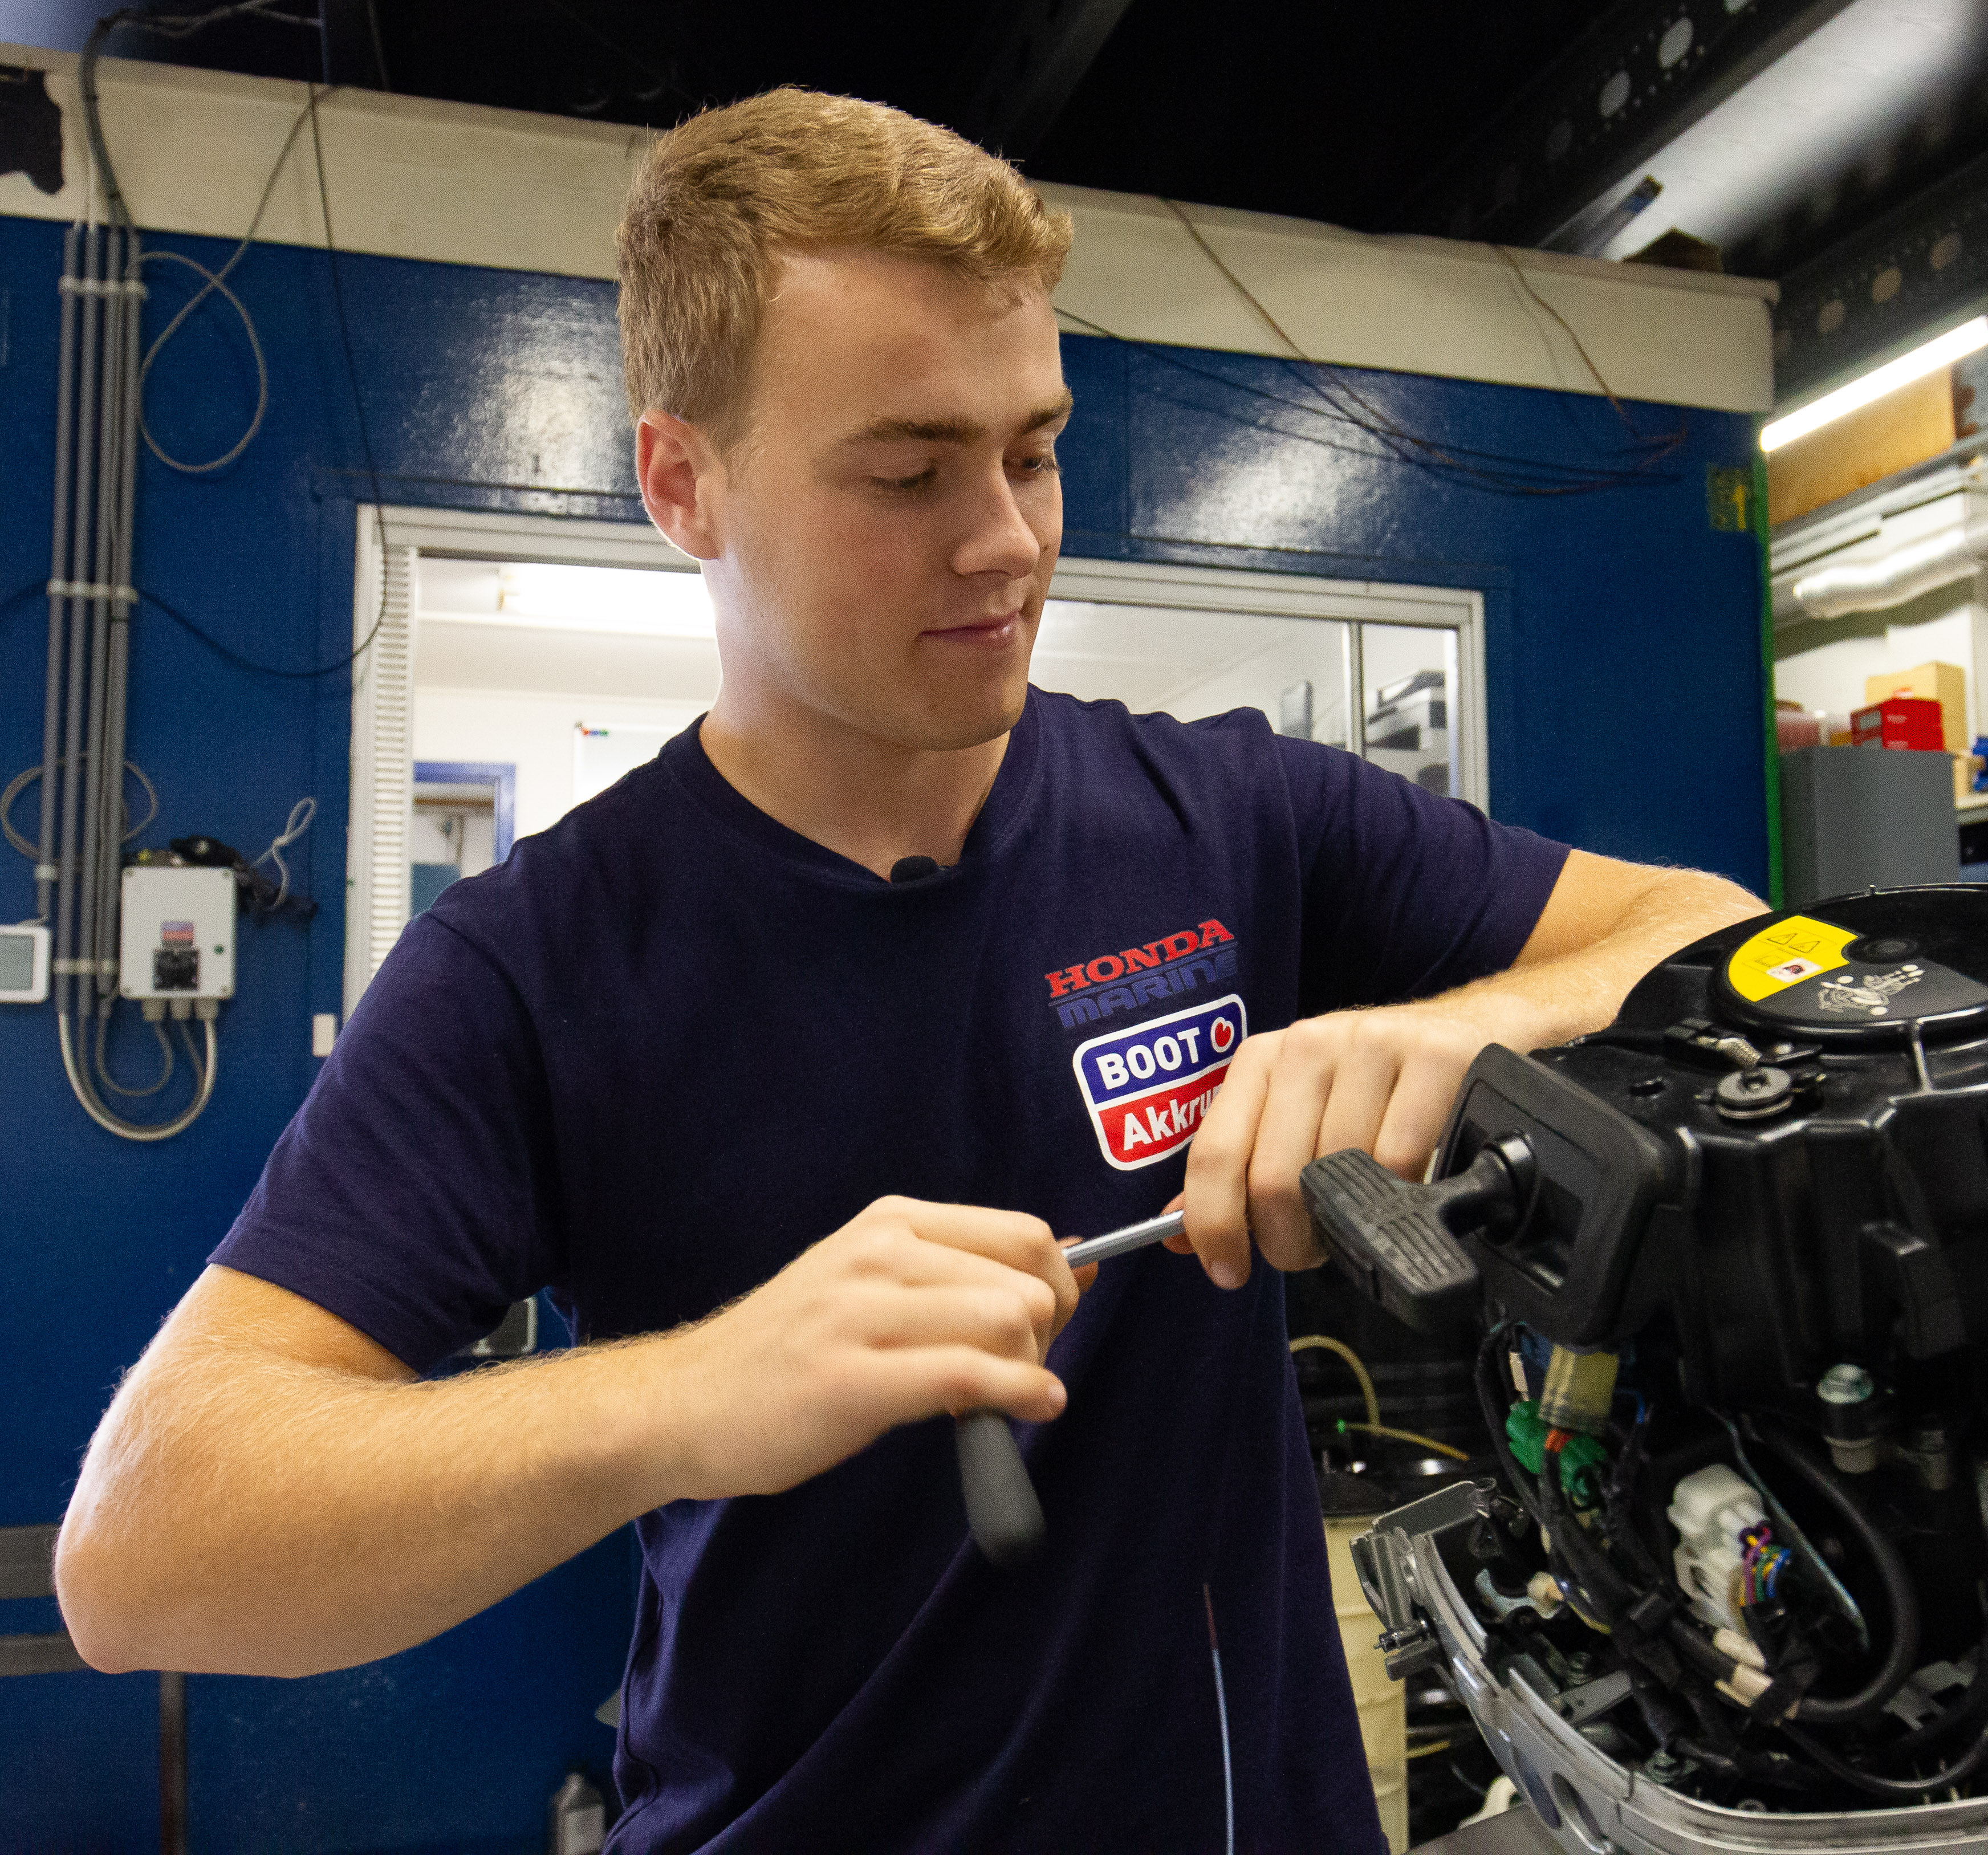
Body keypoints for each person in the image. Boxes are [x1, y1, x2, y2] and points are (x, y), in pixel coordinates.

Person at [54, 88, 1760, 1851]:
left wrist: (1450, 1035)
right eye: (907, 471)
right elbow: (144, 1557)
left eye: (1032, 449)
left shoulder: (1230, 815)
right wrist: (691, 1396)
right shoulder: (536, 967)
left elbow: (1712, 932)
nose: (1010, 539)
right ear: (679, 484)